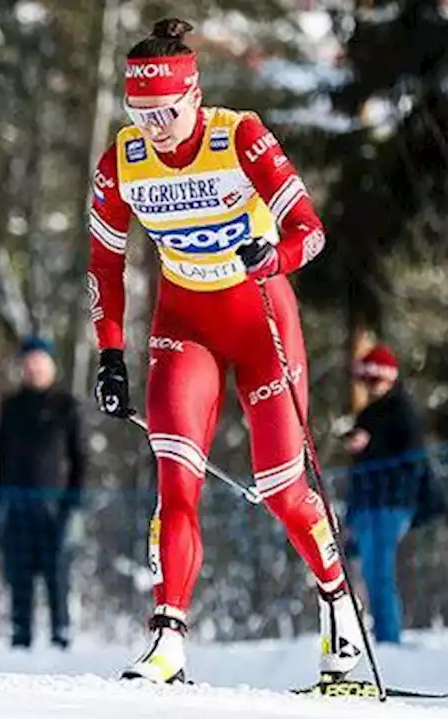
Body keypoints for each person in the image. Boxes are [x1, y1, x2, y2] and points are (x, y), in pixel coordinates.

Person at [85, 18, 361, 684]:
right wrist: (111, 353)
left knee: (281, 486)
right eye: (140, 111)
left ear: (195, 96)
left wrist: (276, 256)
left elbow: (311, 230)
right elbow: (103, 261)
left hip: (262, 320)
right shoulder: (123, 158)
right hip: (186, 323)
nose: (155, 126)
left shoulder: (239, 135)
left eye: (168, 111)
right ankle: (167, 638)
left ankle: (339, 609)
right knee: (175, 479)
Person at [0, 335, 87, 650]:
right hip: (16, 504)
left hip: (55, 506)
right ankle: (20, 635)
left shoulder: (66, 406)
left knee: (57, 572)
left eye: (39, 362)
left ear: (50, 365)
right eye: (28, 363)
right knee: (19, 574)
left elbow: (79, 458)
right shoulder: (11, 406)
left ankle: (61, 633)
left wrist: (75, 504)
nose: (34, 369)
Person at [342, 343, 430, 644]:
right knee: (368, 573)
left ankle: (388, 639)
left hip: (390, 503)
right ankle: (380, 635)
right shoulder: (367, 414)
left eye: (375, 380)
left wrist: (370, 443)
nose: (370, 386)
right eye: (365, 381)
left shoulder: (403, 410)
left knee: (378, 573)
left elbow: (409, 457)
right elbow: (359, 470)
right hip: (366, 503)